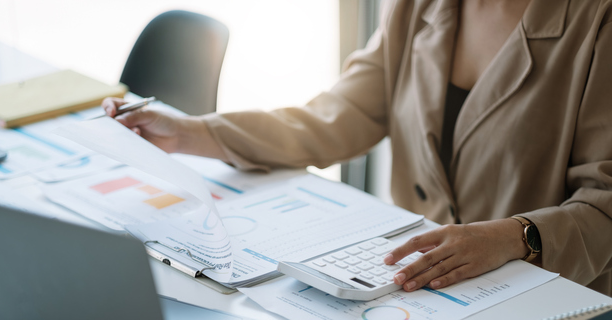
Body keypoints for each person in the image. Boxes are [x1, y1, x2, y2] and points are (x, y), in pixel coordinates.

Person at [103, 0, 612, 296]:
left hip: (549, 295)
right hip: (415, 287)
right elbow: (338, 118)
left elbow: (604, 202)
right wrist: (193, 132)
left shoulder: (598, 21)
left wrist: (515, 236)